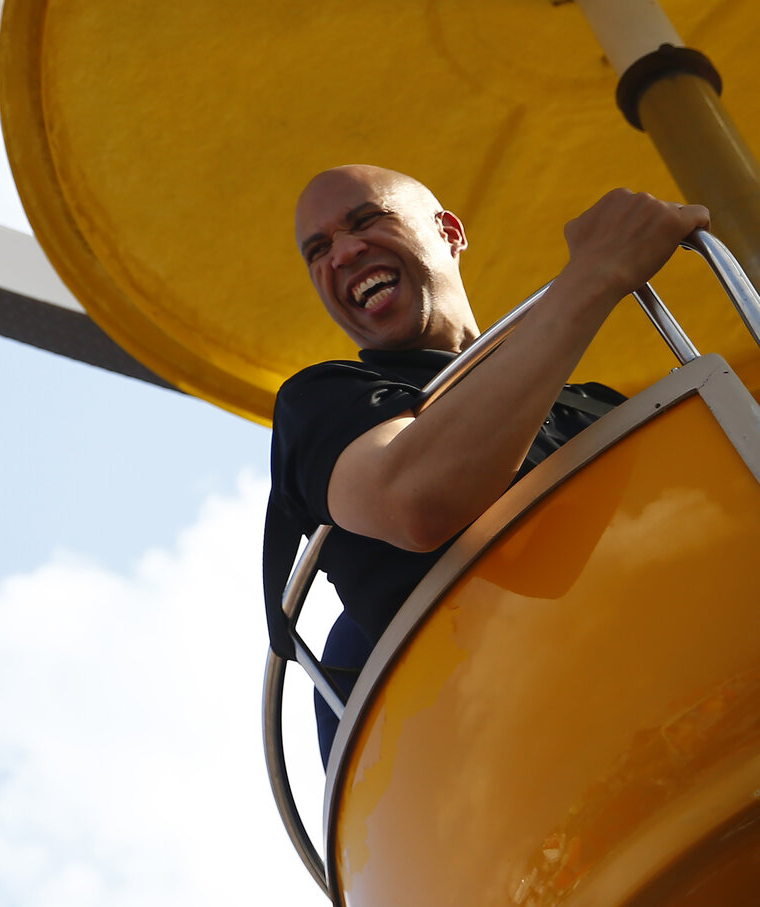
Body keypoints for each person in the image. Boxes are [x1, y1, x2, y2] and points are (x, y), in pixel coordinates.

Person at [267, 165, 707, 760]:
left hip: (698, 686)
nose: (343, 252)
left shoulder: (594, 408)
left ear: (448, 231)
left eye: (366, 219)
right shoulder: (324, 402)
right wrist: (595, 274)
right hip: (523, 757)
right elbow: (416, 499)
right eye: (318, 250)